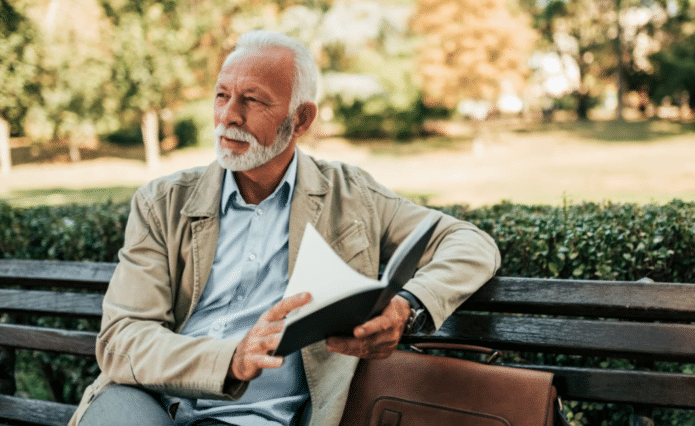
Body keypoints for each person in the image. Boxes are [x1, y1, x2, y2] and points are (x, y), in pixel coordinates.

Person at [69, 30, 500, 426]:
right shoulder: (162, 202)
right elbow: (122, 339)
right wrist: (230, 359)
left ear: (301, 119)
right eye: (222, 96)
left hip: (252, 418)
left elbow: (470, 243)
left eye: (252, 100)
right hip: (147, 401)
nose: (228, 116)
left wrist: (407, 308)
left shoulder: (350, 196)